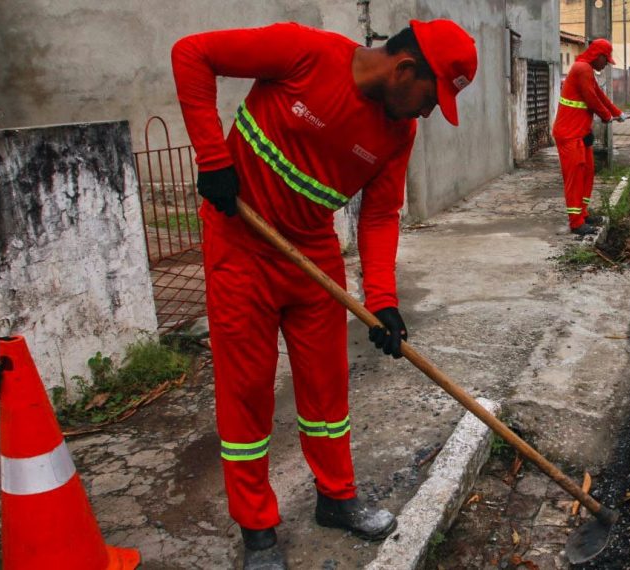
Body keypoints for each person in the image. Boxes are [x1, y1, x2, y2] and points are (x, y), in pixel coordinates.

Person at [171, 19, 477, 568]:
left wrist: (382, 301)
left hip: (312, 255)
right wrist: (213, 158)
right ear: (405, 69)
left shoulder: (398, 133)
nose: (429, 113)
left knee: (326, 387)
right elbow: (192, 53)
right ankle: (257, 529)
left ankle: (336, 498)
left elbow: (380, 214)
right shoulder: (305, 53)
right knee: (247, 391)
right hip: (241, 245)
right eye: (431, 99)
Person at [552, 38, 626, 236]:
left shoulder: (586, 70)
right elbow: (591, 98)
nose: (606, 64)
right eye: (606, 60)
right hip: (569, 134)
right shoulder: (582, 68)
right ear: (597, 55)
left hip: (580, 132)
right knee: (575, 178)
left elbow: (599, 95)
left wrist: (616, 112)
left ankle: (582, 213)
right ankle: (576, 222)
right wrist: (606, 115)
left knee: (587, 173)